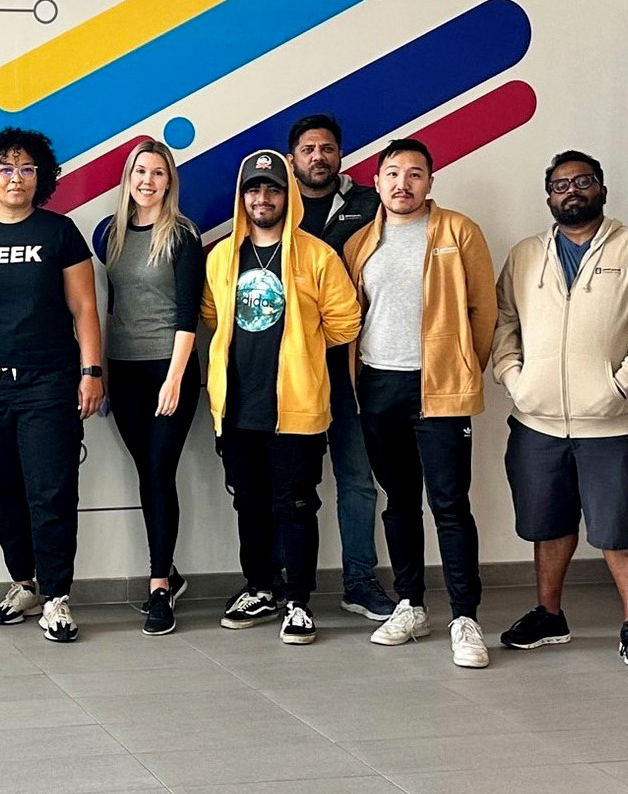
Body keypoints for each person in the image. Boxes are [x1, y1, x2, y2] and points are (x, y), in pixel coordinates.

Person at [491, 150, 628, 668]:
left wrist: (624, 382)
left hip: (614, 421)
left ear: (602, 189)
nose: (572, 191)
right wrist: (514, 379)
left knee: (620, 529)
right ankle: (549, 615)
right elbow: (503, 321)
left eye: (583, 181)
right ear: (549, 196)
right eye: (561, 184)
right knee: (547, 524)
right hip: (537, 420)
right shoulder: (525, 254)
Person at [0, 128, 105, 643]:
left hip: (49, 381)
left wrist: (91, 371)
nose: (16, 178)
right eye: (6, 169)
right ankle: (25, 583)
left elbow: (84, 307)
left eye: (27, 169)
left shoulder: (60, 232)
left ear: (40, 177)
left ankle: (56, 597)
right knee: (5, 488)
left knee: (51, 490)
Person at [343, 138, 497, 668]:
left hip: (441, 387)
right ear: (377, 181)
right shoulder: (360, 242)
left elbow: (484, 309)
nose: (402, 184)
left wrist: (463, 366)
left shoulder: (458, 231)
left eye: (414, 174)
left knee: (450, 504)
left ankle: (465, 617)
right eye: (392, 174)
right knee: (400, 500)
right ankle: (410, 604)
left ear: (430, 181)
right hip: (379, 385)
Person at [202, 150, 362, 645]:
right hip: (237, 408)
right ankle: (259, 588)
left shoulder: (317, 255)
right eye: (254, 189)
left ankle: (298, 601)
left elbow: (346, 322)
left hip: (296, 408)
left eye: (273, 188)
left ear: (287, 195)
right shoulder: (222, 256)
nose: (262, 198)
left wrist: (303, 347)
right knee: (249, 504)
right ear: (242, 197)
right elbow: (211, 314)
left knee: (296, 504)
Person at [287, 114, 397, 620]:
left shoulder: (370, 206)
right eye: (308, 149)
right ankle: (286, 585)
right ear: (292, 159)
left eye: (327, 148)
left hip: (354, 369)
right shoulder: (274, 205)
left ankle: (359, 580)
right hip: (292, 372)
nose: (318, 157)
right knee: (291, 485)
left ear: (340, 155)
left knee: (357, 479)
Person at [100, 140, 203, 635]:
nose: (148, 181)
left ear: (169, 182)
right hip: (124, 371)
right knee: (147, 473)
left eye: (158, 173)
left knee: (160, 473)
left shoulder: (182, 235)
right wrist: (100, 371)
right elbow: (112, 306)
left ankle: (159, 585)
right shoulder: (112, 233)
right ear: (129, 178)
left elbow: (188, 314)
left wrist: (175, 378)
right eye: (140, 171)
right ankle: (169, 572)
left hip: (169, 368)